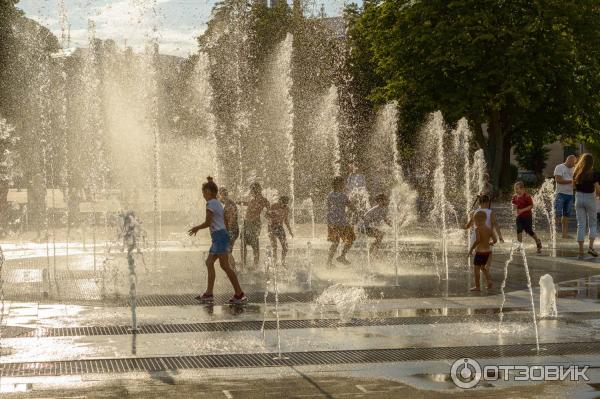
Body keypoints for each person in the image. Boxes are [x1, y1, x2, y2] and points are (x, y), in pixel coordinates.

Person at [188, 177, 246, 304]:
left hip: (219, 237)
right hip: (219, 237)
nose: (203, 195)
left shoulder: (210, 204)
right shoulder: (218, 203)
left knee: (225, 266)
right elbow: (224, 220)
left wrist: (197, 227)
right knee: (209, 262)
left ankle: (239, 294)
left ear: (208, 192)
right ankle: (209, 293)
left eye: (203, 192)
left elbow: (208, 222)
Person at [573, 153, 600, 259]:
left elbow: (574, 186)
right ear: (591, 162)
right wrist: (598, 195)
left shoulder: (576, 172)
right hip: (590, 198)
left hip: (578, 198)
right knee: (592, 224)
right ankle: (590, 247)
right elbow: (597, 188)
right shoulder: (593, 173)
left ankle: (580, 251)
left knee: (581, 224)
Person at [327, 176, 356, 266]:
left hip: (332, 222)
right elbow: (351, 207)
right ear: (338, 184)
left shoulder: (330, 195)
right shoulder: (343, 195)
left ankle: (329, 262)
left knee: (335, 242)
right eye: (343, 183)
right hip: (342, 222)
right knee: (351, 238)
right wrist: (358, 212)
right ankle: (342, 256)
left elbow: (329, 208)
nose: (344, 185)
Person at [241, 182, 270, 268]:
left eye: (252, 190)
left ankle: (255, 264)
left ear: (256, 190)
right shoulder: (253, 200)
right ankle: (245, 263)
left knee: (254, 244)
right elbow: (249, 204)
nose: (251, 192)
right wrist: (239, 202)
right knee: (243, 243)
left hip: (254, 223)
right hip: (247, 223)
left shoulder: (263, 200)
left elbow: (268, 209)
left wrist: (268, 215)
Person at [512, 181, 543, 254]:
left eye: (517, 189)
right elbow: (514, 205)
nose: (516, 191)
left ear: (522, 189)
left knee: (529, 231)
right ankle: (519, 246)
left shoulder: (527, 196)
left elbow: (531, 206)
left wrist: (522, 210)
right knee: (519, 230)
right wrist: (513, 207)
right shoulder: (515, 196)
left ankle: (537, 241)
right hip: (519, 217)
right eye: (515, 189)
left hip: (527, 216)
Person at [468, 210, 496, 292]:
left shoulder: (478, 229)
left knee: (476, 270)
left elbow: (478, 240)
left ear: (477, 221)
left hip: (480, 252)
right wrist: (490, 242)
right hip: (487, 252)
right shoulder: (489, 229)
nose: (475, 223)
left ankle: (477, 287)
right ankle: (489, 281)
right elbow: (495, 240)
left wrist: (471, 249)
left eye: (474, 221)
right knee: (483, 267)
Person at [360, 193, 392, 257]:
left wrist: (396, 225)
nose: (384, 201)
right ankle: (372, 254)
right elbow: (364, 218)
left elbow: (386, 221)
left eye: (385, 200)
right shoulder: (375, 210)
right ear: (379, 201)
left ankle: (372, 253)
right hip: (364, 227)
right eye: (382, 200)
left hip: (368, 226)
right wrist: (371, 225)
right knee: (380, 236)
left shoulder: (384, 209)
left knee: (380, 236)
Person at [554, 155, 577, 239]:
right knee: (557, 214)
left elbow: (575, 183)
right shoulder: (559, 167)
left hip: (570, 195)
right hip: (560, 194)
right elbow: (558, 180)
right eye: (572, 163)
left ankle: (564, 234)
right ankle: (554, 234)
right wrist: (571, 181)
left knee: (566, 215)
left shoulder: (574, 169)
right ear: (568, 160)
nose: (573, 165)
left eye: (574, 163)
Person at [267, 196, 294, 266]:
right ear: (279, 201)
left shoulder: (286, 209)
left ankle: (283, 262)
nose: (284, 205)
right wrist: (272, 218)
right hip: (271, 227)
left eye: (285, 204)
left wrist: (290, 231)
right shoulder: (274, 206)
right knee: (274, 246)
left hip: (280, 228)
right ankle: (274, 262)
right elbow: (266, 215)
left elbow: (286, 220)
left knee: (285, 246)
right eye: (283, 203)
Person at [220, 187, 239, 269]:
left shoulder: (230, 205)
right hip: (231, 230)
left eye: (225, 195)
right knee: (227, 251)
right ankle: (232, 268)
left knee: (227, 251)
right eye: (223, 195)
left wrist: (228, 232)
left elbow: (232, 220)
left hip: (232, 231)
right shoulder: (226, 203)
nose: (224, 196)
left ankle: (233, 270)